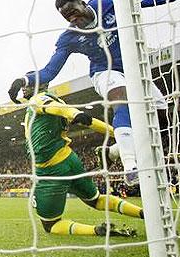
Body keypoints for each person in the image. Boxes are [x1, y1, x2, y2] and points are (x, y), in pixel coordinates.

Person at [8, 0, 180, 185]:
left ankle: (117, 150)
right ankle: (130, 167)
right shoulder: (69, 37)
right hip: (104, 73)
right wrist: (24, 80)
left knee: (163, 119)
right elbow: (50, 71)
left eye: (74, 11)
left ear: (83, 3)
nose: (73, 18)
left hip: (133, 69)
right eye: (67, 17)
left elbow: (142, 0)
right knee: (122, 101)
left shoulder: (105, 4)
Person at [20, 80, 143, 237]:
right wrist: (118, 134)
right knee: (96, 200)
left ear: (41, 85)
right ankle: (143, 213)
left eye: (28, 84)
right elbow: (89, 121)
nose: (24, 88)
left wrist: (73, 114)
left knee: (51, 225)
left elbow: (51, 106)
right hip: (70, 159)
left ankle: (98, 231)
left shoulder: (38, 99)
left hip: (50, 170)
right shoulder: (58, 102)